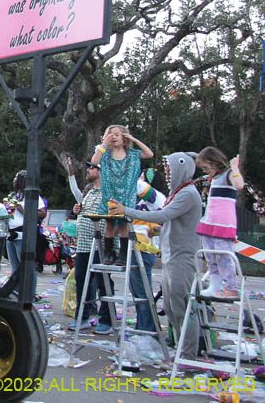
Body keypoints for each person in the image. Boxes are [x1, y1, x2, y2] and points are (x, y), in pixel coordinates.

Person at [112, 152, 202, 365]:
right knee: (171, 307)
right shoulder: (178, 192)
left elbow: (164, 214)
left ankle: (188, 356)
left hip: (182, 257)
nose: (168, 173)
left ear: (182, 168)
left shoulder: (188, 193)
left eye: (170, 169)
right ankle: (180, 351)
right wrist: (160, 230)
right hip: (171, 255)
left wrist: (128, 211)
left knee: (183, 307)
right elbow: (172, 221)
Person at [91, 125, 154, 265]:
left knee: (124, 225)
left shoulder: (132, 154)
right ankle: (108, 254)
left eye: (117, 134)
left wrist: (134, 139)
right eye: (110, 134)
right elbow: (94, 162)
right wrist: (103, 145)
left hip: (126, 196)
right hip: (110, 194)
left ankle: (123, 255)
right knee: (109, 224)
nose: (113, 137)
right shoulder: (104, 154)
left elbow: (149, 154)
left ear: (124, 138)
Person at [66, 158, 115, 334]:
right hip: (84, 246)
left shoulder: (109, 192)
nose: (88, 170)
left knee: (103, 283)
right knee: (81, 281)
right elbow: (78, 196)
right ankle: (82, 317)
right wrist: (79, 210)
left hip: (100, 245)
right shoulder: (90, 193)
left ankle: (107, 321)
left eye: (92, 168)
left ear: (101, 171)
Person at [195, 147, 245, 298]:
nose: (205, 171)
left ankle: (231, 287)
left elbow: (239, 185)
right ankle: (215, 285)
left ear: (213, 162)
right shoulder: (214, 179)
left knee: (224, 256)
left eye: (205, 167)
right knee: (210, 256)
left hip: (223, 223)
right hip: (209, 222)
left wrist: (235, 167)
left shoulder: (229, 174)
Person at [130, 167, 167, 335]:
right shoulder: (141, 200)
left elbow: (137, 186)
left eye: (142, 176)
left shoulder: (155, 197)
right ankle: (143, 325)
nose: (139, 179)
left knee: (142, 292)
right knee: (137, 291)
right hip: (137, 249)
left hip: (145, 250)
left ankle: (147, 329)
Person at [5, 170, 48, 301]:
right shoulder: (13, 195)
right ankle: (17, 294)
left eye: (16, 178)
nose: (13, 180)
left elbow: (42, 213)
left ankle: (29, 295)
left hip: (23, 235)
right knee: (15, 267)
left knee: (28, 267)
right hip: (11, 235)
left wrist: (23, 210)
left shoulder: (32, 195)